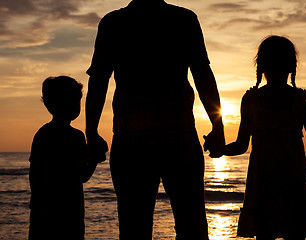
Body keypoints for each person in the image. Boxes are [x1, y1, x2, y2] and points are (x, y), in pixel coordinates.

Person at [85, 0, 225, 239]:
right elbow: (202, 74)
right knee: (191, 225)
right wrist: (217, 125)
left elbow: (98, 82)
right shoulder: (183, 19)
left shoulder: (114, 22)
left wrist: (92, 132)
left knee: (134, 227)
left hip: (133, 141)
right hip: (177, 137)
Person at [221, 35, 306, 239]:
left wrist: (220, 150)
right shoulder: (299, 100)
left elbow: (241, 146)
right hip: (291, 182)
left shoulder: (253, 100)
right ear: (292, 66)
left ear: (261, 66)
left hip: (267, 183)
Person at [29, 76, 102, 240]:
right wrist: (95, 159)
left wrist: (37, 204)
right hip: (70, 210)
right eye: (76, 102)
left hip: (42, 210)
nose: (77, 107)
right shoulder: (76, 137)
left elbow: (34, 175)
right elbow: (82, 176)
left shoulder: (41, 134)